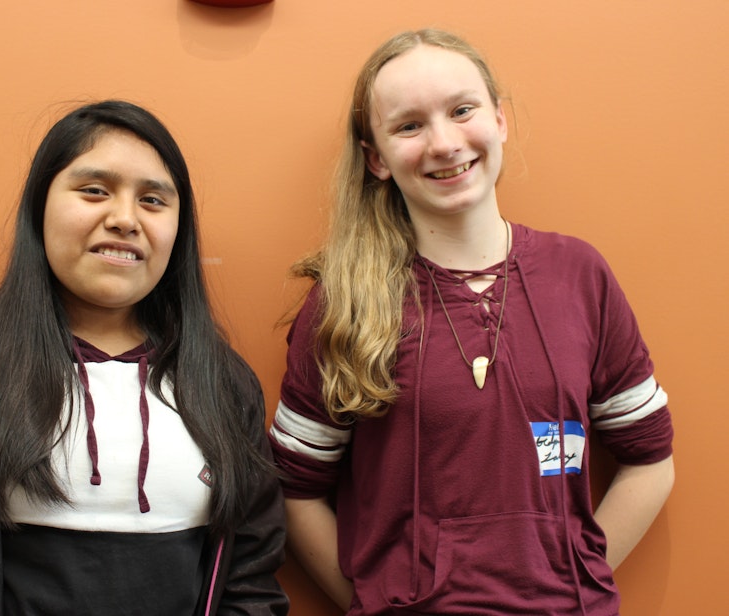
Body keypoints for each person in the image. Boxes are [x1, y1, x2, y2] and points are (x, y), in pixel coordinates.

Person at [269, 29, 674, 615]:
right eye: (409, 126)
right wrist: (373, 603)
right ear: (376, 158)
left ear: (500, 119)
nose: (443, 142)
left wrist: (576, 581)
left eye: (462, 110)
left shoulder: (579, 275)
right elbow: (293, 488)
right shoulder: (343, 301)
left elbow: (650, 457)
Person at [0, 100, 289, 616]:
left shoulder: (221, 381)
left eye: (153, 201)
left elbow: (251, 582)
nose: (125, 219)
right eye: (94, 191)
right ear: (40, 206)